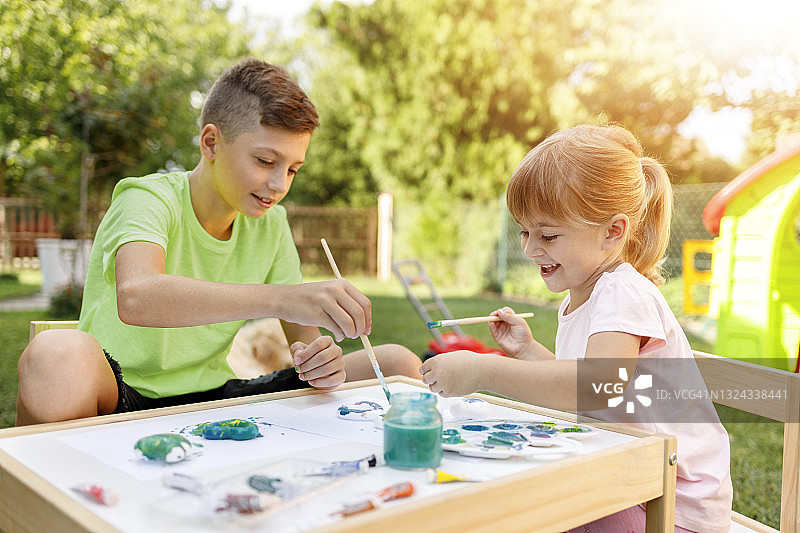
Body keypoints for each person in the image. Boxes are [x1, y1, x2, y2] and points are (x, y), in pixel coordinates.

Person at [17, 58, 420, 426]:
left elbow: (305, 344)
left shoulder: (271, 224)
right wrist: (280, 298)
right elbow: (137, 295)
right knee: (57, 354)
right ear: (211, 143)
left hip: (215, 402)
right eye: (265, 161)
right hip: (122, 398)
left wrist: (320, 361)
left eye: (293, 169)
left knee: (398, 362)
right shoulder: (148, 198)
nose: (279, 185)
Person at [419, 124, 732, 532]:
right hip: (635, 477)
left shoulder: (622, 292)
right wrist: (527, 351)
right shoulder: (581, 295)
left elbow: (597, 387)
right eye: (525, 232)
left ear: (612, 232)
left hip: (670, 507)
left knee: (528, 504)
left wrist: (484, 370)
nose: (531, 249)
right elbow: (581, 385)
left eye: (547, 234)